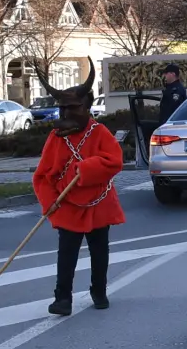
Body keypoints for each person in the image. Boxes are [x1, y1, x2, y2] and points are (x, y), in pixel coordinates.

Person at [32, 61, 124, 315]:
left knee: (99, 251)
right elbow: (42, 175)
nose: (65, 115)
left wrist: (87, 169)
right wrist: (49, 200)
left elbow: (114, 161)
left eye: (72, 108)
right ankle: (63, 298)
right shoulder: (55, 138)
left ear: (86, 107)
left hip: (98, 203)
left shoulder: (100, 132)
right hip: (67, 205)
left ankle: (99, 291)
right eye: (62, 109)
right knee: (66, 253)